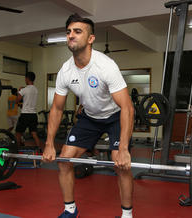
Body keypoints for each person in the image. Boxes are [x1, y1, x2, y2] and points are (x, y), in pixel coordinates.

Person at [42, 13, 135, 218]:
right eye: (68, 32)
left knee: (120, 165)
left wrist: (124, 148)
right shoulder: (65, 71)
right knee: (64, 160)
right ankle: (70, 210)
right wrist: (49, 143)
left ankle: (127, 215)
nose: (71, 36)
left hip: (115, 116)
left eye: (77, 31)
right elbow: (57, 109)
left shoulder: (105, 66)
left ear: (91, 38)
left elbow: (127, 107)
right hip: (89, 117)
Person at [15, 72, 41, 147]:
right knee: (34, 133)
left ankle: (16, 150)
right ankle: (40, 150)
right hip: (33, 115)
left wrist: (19, 91)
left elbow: (17, 101)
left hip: (25, 115)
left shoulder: (24, 90)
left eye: (25, 79)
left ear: (27, 79)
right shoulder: (36, 90)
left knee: (18, 133)